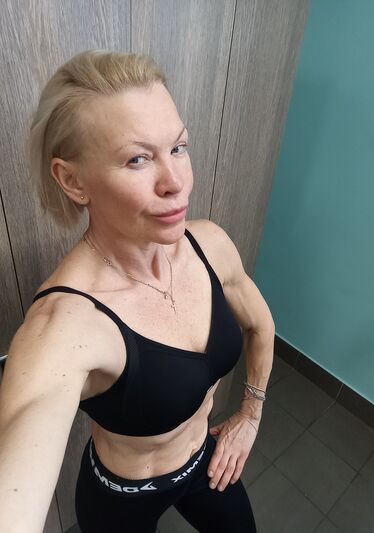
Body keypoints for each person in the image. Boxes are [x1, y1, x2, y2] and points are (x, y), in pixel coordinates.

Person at [0, 50, 274, 533]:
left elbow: (260, 325)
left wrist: (250, 413)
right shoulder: (65, 326)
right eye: (137, 158)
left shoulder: (209, 244)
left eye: (179, 147)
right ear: (72, 180)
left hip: (207, 464)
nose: (176, 182)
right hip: (122, 497)